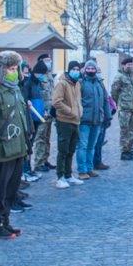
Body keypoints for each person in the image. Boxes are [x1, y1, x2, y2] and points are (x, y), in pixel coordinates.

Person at [0, 51, 31, 239]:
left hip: (17, 148)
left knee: (11, 189)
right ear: (2, 70)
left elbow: (21, 120)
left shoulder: (15, 90)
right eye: (11, 68)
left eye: (16, 68)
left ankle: (6, 220)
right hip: (1, 150)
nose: (14, 71)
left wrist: (26, 144)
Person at [50, 59, 83, 188]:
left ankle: (69, 175)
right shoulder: (62, 84)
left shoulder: (77, 84)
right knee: (63, 150)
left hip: (76, 121)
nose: (76, 71)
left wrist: (79, 111)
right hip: (64, 121)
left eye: (77, 69)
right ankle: (60, 177)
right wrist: (70, 111)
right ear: (69, 70)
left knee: (71, 150)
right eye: (73, 69)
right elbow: (56, 102)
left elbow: (78, 100)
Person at [76, 60, 109, 180]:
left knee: (92, 146)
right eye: (88, 68)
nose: (90, 70)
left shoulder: (100, 83)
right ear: (85, 70)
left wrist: (107, 116)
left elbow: (105, 100)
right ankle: (82, 170)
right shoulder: (80, 83)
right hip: (84, 120)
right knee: (82, 146)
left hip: (97, 120)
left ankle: (89, 169)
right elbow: (76, 101)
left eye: (92, 68)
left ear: (96, 69)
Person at [110, 57, 133, 160]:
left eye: (131, 65)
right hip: (124, 109)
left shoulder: (131, 76)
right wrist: (116, 103)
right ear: (123, 66)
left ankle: (130, 150)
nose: (130, 66)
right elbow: (114, 92)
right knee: (124, 131)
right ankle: (124, 152)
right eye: (128, 65)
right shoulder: (119, 77)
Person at [28, 55, 56, 172]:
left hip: (49, 112)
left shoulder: (49, 76)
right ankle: (38, 163)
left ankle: (45, 160)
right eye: (46, 60)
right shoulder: (37, 77)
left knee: (47, 137)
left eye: (50, 60)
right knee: (40, 138)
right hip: (41, 113)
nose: (49, 62)